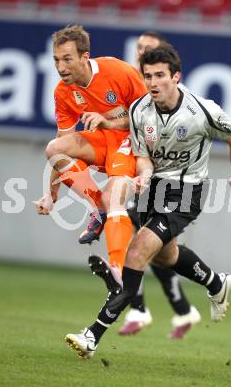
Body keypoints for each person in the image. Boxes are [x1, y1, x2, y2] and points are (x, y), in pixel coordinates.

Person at [65, 43, 231, 359]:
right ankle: (217, 283)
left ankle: (92, 336)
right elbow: (143, 157)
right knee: (165, 256)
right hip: (153, 189)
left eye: (160, 75)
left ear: (176, 77)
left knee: (136, 253)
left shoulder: (203, 111)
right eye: (147, 75)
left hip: (185, 194)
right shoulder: (139, 111)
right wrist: (145, 174)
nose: (152, 82)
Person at [34, 24, 147, 276]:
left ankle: (118, 269)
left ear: (85, 57)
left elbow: (148, 118)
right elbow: (63, 144)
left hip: (128, 141)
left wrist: (109, 122)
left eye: (67, 59)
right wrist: (52, 195)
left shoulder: (118, 72)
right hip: (100, 141)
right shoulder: (63, 92)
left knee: (114, 195)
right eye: (56, 59)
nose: (61, 67)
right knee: (55, 149)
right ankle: (99, 208)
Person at [118, 31, 201, 339]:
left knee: (145, 245)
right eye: (139, 48)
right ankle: (178, 310)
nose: (141, 52)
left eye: (148, 49)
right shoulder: (135, 90)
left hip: (164, 183)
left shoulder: (173, 96)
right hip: (137, 170)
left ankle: (141, 309)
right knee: (148, 247)